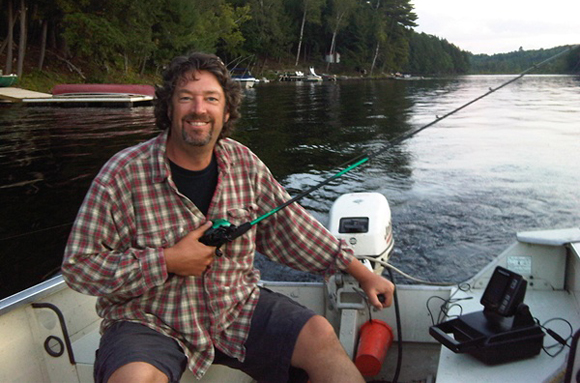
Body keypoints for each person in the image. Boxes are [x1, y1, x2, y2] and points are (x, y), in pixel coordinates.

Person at [62, 52, 395, 383]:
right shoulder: (122, 173)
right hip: (149, 319)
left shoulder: (244, 164)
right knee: (133, 378)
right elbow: (80, 267)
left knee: (319, 333)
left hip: (236, 307)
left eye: (211, 99)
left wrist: (360, 272)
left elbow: (293, 228)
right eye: (186, 98)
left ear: (226, 111)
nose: (198, 109)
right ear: (168, 108)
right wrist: (166, 261)